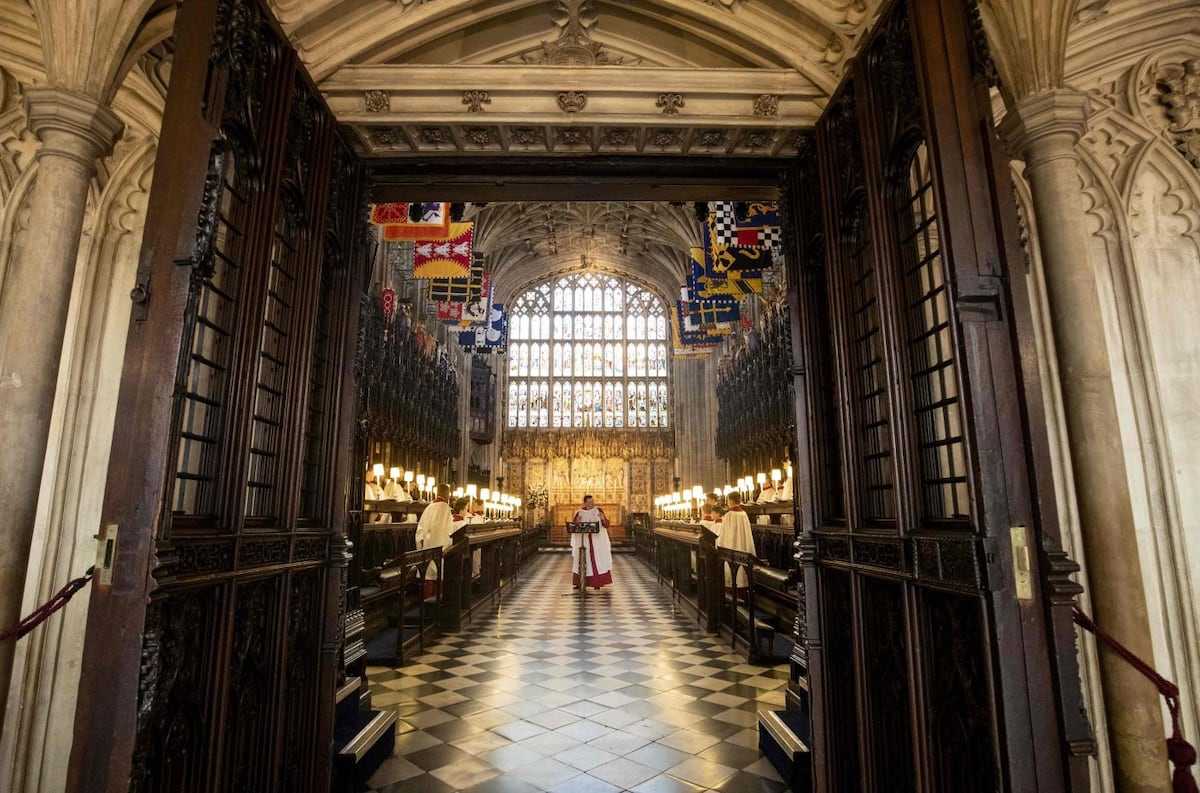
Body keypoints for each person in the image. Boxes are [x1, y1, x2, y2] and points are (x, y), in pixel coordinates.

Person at [415, 483, 453, 597]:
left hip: (429, 545)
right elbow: (450, 529)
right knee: (439, 573)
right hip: (443, 546)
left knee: (429, 574)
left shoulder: (429, 507)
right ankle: (438, 601)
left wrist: (420, 545)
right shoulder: (446, 508)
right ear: (446, 493)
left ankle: (426, 601)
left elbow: (420, 529)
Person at [571, 494, 613, 589]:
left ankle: (596, 582)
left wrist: (603, 518)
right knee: (581, 560)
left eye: (593, 502)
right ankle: (580, 582)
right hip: (583, 540)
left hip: (597, 541)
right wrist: (576, 522)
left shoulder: (599, 510)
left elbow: (606, 524)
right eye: (589, 502)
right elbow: (573, 527)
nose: (592, 504)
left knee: (597, 560)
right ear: (585, 503)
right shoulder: (579, 512)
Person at [717, 490, 756, 589]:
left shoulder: (729, 515)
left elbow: (723, 534)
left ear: (731, 500)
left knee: (732, 570)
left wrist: (719, 544)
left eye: (728, 500)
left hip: (732, 547)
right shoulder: (744, 514)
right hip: (743, 547)